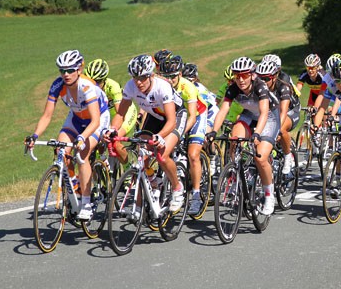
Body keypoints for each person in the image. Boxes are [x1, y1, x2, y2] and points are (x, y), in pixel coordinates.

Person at [26, 50, 110, 220]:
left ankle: (86, 202)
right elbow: (47, 115)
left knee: (82, 155)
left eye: (70, 70)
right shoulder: (58, 85)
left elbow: (95, 121)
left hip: (97, 120)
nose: (66, 74)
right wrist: (34, 136)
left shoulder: (87, 87)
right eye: (62, 70)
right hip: (76, 118)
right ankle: (75, 185)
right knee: (60, 150)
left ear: (79, 69)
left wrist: (82, 137)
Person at [104, 55, 187, 212]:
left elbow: (171, 121)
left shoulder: (162, 87)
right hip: (155, 116)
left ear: (151, 75)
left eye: (143, 77)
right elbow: (120, 114)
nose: (139, 82)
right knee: (142, 152)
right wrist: (112, 129)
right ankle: (151, 181)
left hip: (175, 117)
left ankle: (177, 188)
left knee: (162, 153)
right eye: (135, 78)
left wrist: (160, 137)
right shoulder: (130, 87)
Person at [208, 56, 280, 216]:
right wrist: (213, 130)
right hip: (249, 114)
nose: (240, 79)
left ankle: (269, 195)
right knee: (234, 139)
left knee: (260, 158)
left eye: (245, 75)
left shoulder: (260, 86)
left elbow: (263, 114)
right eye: (237, 75)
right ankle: (236, 172)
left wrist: (256, 134)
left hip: (269, 117)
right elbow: (223, 110)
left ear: (252, 75)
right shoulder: (233, 88)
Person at [160, 56, 209, 216]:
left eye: (173, 76)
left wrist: (180, 133)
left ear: (180, 74)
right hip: (177, 116)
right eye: (166, 76)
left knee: (193, 154)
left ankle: (195, 196)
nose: (170, 79)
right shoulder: (162, 86)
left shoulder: (188, 87)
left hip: (196, 116)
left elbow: (193, 116)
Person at [84, 58, 139, 169]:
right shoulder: (86, 89)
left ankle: (129, 171)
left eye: (98, 82)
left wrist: (109, 129)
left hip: (125, 113)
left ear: (104, 80)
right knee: (95, 144)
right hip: (106, 117)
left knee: (115, 141)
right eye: (91, 81)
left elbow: (120, 113)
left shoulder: (112, 86)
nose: (94, 85)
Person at [256, 60, 301, 174]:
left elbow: (284, 111)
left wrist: (275, 131)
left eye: (266, 79)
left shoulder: (283, 86)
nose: (263, 82)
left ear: (274, 77)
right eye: (261, 79)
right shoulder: (258, 87)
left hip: (291, 110)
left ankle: (287, 156)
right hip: (273, 111)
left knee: (280, 129)